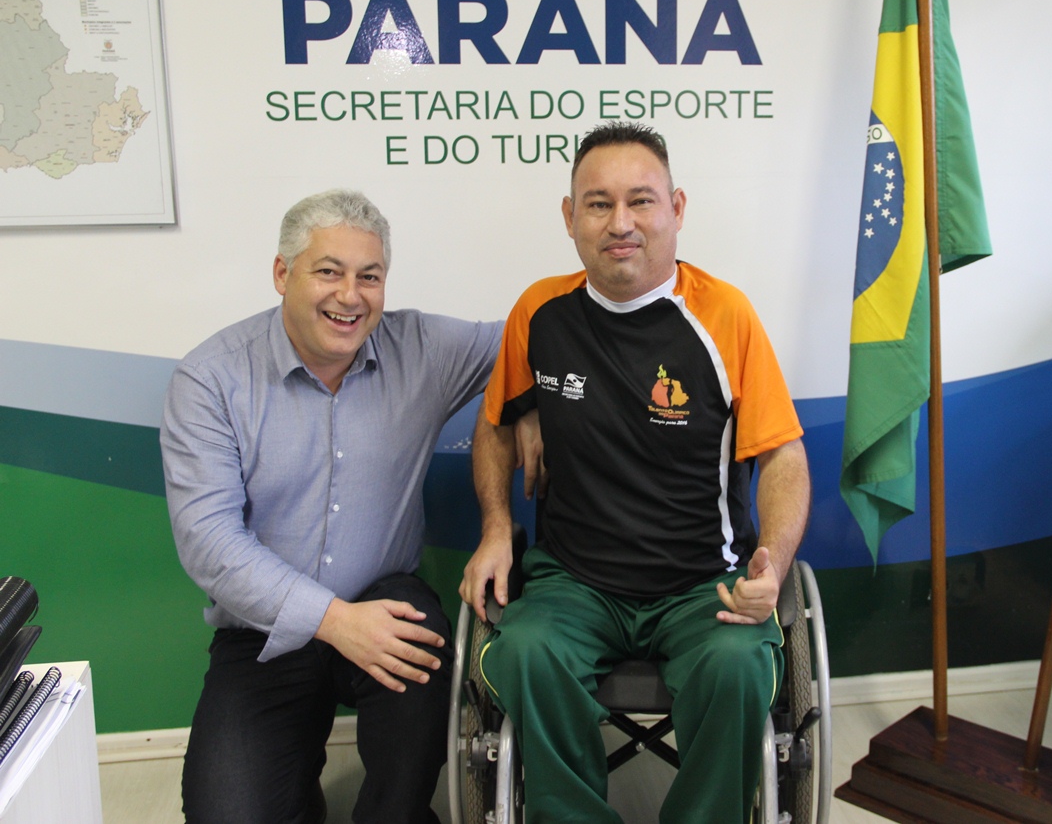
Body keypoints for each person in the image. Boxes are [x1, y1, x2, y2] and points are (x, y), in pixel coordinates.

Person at [460, 122, 812, 823]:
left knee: (739, 665)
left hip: (700, 582)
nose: (620, 223)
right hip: (575, 579)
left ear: (676, 209)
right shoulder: (539, 313)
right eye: (598, 204)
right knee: (524, 649)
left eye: (640, 201)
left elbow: (783, 456)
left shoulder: (725, 316)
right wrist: (497, 527)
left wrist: (773, 564)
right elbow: (496, 423)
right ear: (570, 217)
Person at [161, 189, 502, 823]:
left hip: (383, 596)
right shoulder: (210, 379)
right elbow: (209, 543)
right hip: (263, 631)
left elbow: (542, 340)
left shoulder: (422, 348)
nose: (350, 296)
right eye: (328, 271)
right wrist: (334, 620)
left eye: (369, 276)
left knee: (419, 652)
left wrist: (527, 408)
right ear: (281, 273)